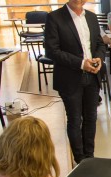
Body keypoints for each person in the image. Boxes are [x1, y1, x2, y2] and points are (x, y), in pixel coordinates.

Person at [45, 0, 106, 164]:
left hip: (92, 76)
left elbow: (99, 43)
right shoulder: (55, 18)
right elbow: (52, 50)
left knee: (91, 118)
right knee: (74, 119)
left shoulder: (92, 17)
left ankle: (90, 156)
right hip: (69, 77)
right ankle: (80, 160)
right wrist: (81, 63)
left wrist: (99, 58)